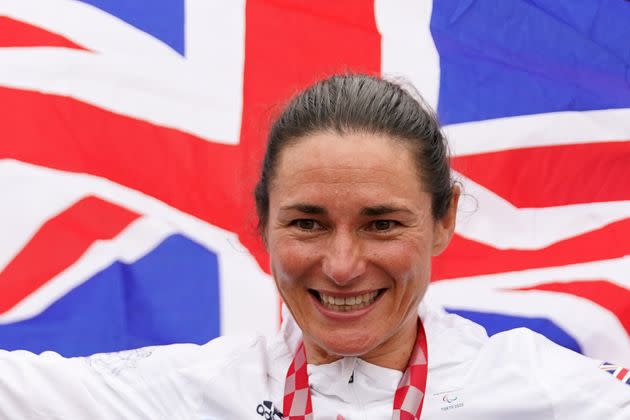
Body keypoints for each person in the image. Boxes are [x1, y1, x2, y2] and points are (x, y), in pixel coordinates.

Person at [1, 74, 629, 419]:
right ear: (263, 223)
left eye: (382, 224)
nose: (342, 264)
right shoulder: (190, 392)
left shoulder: (551, 390)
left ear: (444, 221)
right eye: (307, 223)